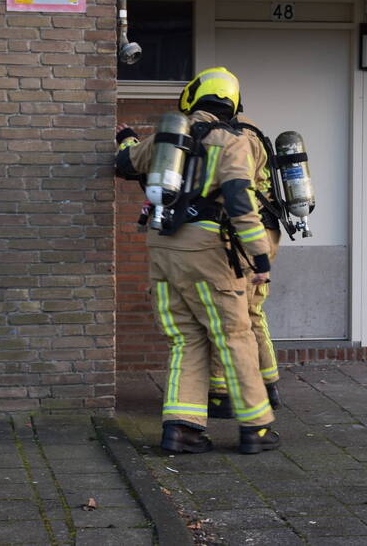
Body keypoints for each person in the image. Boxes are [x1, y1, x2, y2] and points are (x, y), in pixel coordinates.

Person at [115, 67, 280, 455]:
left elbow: (124, 164)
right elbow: (240, 197)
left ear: (192, 98)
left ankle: (183, 429)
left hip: (163, 248)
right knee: (233, 336)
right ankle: (255, 427)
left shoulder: (168, 137)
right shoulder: (234, 140)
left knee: (184, 338)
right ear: (233, 104)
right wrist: (259, 256)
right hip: (208, 251)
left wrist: (126, 138)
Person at [208, 112, 283, 418]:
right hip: (265, 232)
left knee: (229, 315)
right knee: (252, 312)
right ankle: (268, 385)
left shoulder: (236, 140)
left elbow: (238, 195)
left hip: (247, 236)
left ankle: (221, 393)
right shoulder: (254, 133)